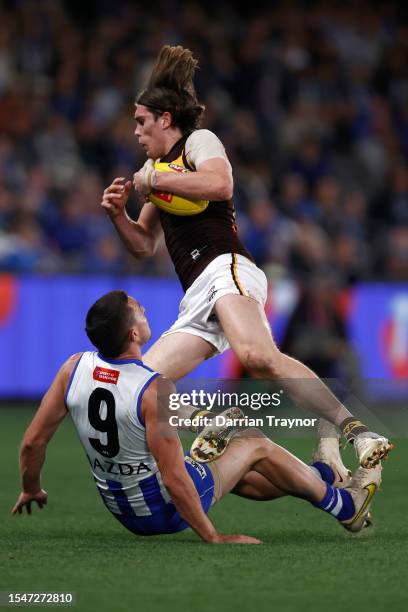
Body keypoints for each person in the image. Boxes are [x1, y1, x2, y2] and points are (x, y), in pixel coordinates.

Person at [101, 45, 392, 469]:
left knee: (258, 358)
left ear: (166, 119)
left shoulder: (198, 142)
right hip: (197, 294)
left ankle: (357, 430)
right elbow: (144, 245)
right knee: (140, 387)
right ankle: (219, 422)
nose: (136, 132)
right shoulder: (156, 169)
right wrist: (116, 216)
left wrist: (158, 177)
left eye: (142, 122)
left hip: (227, 268)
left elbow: (220, 185)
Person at [12, 291, 381, 541]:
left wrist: (31, 488)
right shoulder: (153, 388)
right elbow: (174, 478)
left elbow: (32, 442)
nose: (144, 311)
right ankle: (344, 505)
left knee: (240, 476)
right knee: (253, 443)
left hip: (119, 508)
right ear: (132, 333)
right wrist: (213, 537)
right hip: (159, 509)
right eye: (138, 309)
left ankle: (323, 474)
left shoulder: (72, 368)